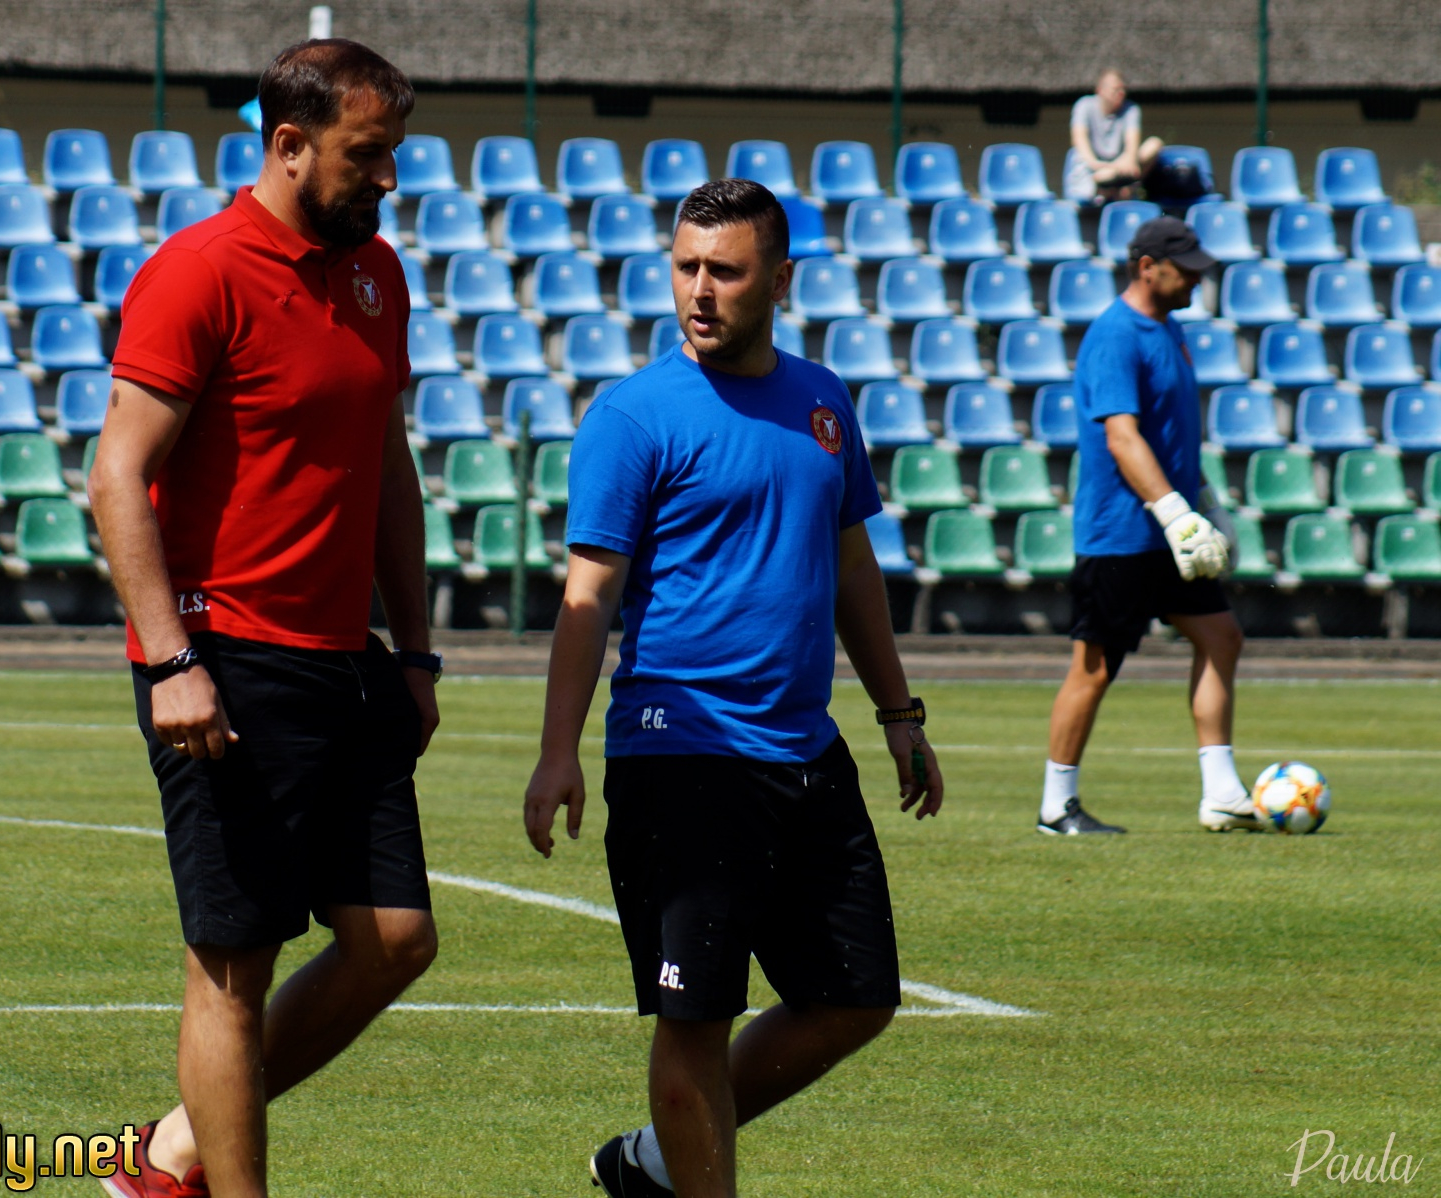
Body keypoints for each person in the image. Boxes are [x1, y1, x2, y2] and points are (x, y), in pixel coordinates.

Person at [523, 179, 945, 1198]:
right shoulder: (632, 415)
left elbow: (852, 566)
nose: (700, 291)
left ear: (781, 280)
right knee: (695, 1020)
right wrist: (557, 750)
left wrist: (898, 714)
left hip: (805, 749)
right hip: (682, 752)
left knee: (856, 996)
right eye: (686, 268)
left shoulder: (823, 399)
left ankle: (654, 1159)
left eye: (725, 270)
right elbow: (589, 593)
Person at [88, 39, 440, 1198]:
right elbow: (116, 475)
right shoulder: (198, 271)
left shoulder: (378, 274)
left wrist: (416, 650)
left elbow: (388, 468)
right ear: (289, 145)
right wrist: (170, 661)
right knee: (233, 971)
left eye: (394, 151)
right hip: (226, 663)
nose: (388, 177)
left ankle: (168, 1155)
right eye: (367, 153)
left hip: (347, 663)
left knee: (394, 939)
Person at [1037, 216, 1260, 836]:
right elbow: (1122, 436)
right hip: (1123, 534)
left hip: (1171, 528)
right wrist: (1175, 514)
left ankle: (1221, 794)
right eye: (1184, 269)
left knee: (1222, 637)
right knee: (1095, 666)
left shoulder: (1171, 329)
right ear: (1146, 267)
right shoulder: (1115, 335)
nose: (1195, 279)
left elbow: (1171, 435)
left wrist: (1206, 504)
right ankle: (1057, 806)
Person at [1064, 69, 1164, 203]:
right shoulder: (1084, 106)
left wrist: (1115, 169)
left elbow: (1131, 150)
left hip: (1120, 169)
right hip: (1091, 170)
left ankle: (1119, 186)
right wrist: (1097, 165)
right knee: (1090, 168)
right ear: (1100, 90)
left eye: (1123, 89)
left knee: (1154, 144)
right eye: (1115, 89)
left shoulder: (1131, 109)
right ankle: (1110, 188)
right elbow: (1079, 140)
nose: (1121, 93)